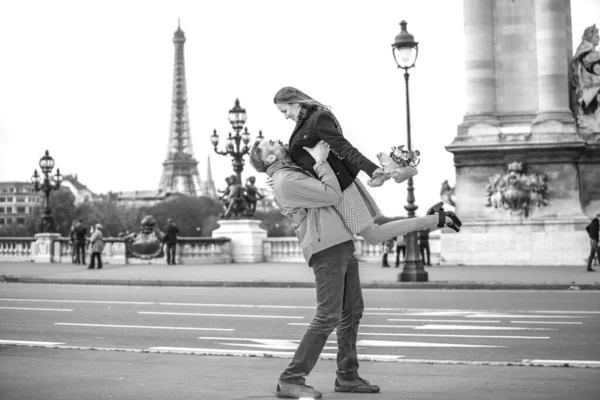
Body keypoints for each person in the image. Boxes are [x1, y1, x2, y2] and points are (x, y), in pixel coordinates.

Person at [273, 86, 461, 245]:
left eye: (284, 111)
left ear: (295, 102)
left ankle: (436, 219)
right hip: (331, 185)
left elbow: (345, 148)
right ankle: (435, 218)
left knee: (373, 235)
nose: (285, 116)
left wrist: (372, 170)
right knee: (377, 225)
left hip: (339, 187)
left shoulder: (316, 119)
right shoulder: (305, 123)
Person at [572, 24, 600, 115]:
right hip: (590, 88)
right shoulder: (587, 56)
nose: (598, 38)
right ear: (589, 37)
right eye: (596, 36)